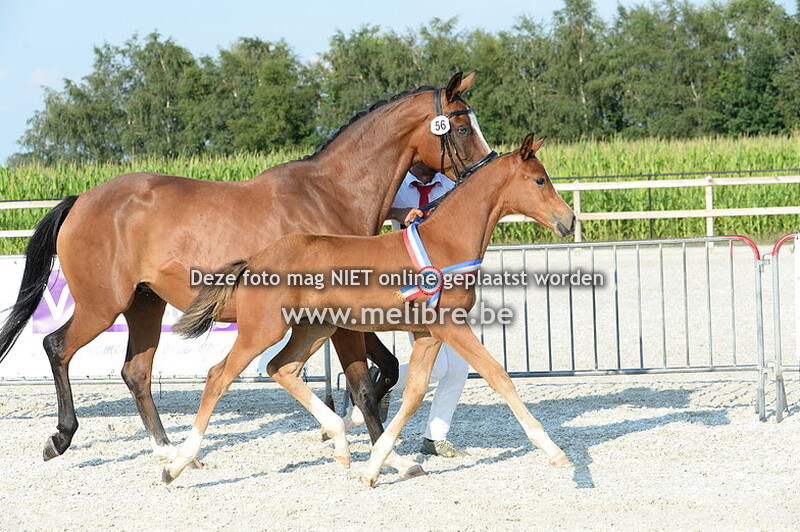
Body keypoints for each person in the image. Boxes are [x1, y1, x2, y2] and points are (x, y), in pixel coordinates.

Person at [384, 161, 471, 458]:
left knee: (458, 368)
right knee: (439, 366)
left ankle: (435, 437)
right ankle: (380, 381)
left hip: (447, 282)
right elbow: (371, 209)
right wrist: (398, 213)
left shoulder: (448, 187)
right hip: (413, 286)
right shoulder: (395, 184)